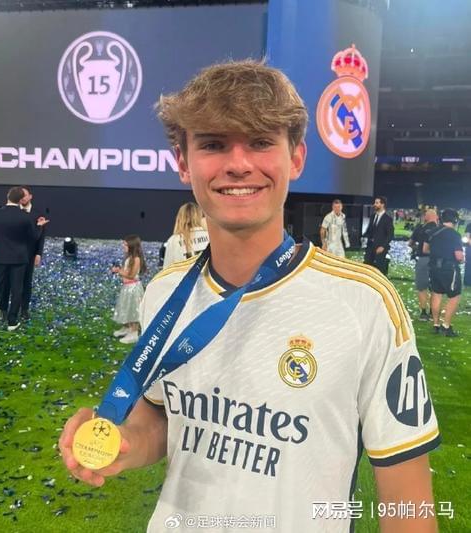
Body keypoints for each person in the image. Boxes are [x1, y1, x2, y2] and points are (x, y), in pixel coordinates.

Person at [60, 60, 439, 532]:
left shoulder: (363, 302)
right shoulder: (164, 291)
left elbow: (408, 501)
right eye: (213, 144)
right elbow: (164, 414)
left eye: (260, 141)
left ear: (296, 158)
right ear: (183, 162)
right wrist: (128, 442)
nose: (238, 164)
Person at [0, 187, 48, 331]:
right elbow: (34, 237)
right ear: (21, 199)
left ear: (8, 197)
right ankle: (12, 322)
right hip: (19, 258)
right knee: (17, 289)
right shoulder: (25, 216)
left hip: (0, 257)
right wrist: (39, 227)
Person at [0, 185, 46, 321]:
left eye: (25, 195)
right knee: (7, 281)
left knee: (26, 281)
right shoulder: (11, 211)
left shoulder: (37, 213)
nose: (22, 198)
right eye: (20, 195)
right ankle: (3, 309)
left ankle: (24, 309)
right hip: (10, 252)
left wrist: (38, 253)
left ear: (30, 196)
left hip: (28, 253)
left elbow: (41, 236)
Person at [424, 209, 464, 337]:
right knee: (454, 295)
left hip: (433, 266)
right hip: (449, 268)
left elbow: (425, 249)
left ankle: (435, 324)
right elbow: (458, 256)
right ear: (455, 220)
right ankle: (446, 326)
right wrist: (462, 259)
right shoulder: (455, 235)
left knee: (436, 294)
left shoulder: (432, 232)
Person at [111, 235, 146, 344]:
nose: (123, 246)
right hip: (127, 287)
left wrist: (119, 271)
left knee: (133, 310)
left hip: (133, 288)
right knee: (126, 308)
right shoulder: (129, 258)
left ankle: (134, 332)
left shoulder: (136, 259)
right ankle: (127, 328)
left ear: (132, 246)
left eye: (125, 245)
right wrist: (119, 270)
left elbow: (131, 275)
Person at [408, 209, 439, 320]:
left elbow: (410, 243)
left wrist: (418, 249)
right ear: (436, 217)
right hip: (437, 260)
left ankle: (423, 312)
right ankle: (432, 311)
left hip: (423, 259)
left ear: (427, 217)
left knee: (422, 286)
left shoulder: (420, 228)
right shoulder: (440, 229)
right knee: (435, 287)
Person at [162, 202, 209, 268]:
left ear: (180, 218)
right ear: (200, 216)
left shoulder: (173, 240)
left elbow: (167, 270)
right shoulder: (210, 236)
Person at [363, 196, 394, 275]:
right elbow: (369, 230)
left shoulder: (388, 219)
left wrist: (382, 246)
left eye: (377, 203)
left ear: (382, 204)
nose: (374, 204)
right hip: (370, 247)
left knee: (379, 270)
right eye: (375, 203)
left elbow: (390, 235)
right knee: (367, 267)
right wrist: (363, 236)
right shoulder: (373, 216)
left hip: (380, 249)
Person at [464, 221, 471, 287]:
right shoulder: (469, 225)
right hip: (469, 248)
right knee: (469, 265)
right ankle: (467, 282)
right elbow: (467, 237)